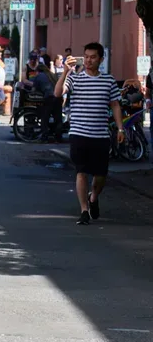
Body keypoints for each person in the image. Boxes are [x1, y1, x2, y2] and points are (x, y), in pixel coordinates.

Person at [55, 42, 124, 225]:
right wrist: (65, 72)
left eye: (93, 57)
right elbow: (57, 93)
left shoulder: (108, 80)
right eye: (86, 56)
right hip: (79, 133)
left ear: (101, 59)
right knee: (81, 172)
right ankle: (84, 210)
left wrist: (120, 128)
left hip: (100, 135)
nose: (88, 60)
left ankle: (93, 197)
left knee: (100, 176)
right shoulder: (75, 79)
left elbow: (115, 105)